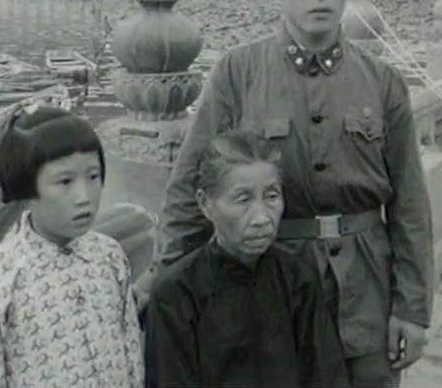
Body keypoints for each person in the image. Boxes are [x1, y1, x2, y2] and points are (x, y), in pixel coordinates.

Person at [135, 0, 435, 387]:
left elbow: (411, 208)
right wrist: (165, 278)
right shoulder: (238, 72)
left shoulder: (382, 81)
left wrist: (412, 309)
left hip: (366, 298)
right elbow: (193, 185)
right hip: (268, 296)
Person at [0, 105, 144, 388]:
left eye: (93, 177)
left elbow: (130, 352)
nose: (84, 197)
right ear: (27, 189)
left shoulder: (110, 256)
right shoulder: (0, 275)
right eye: (64, 181)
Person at [144, 131, 350, 388]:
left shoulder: (298, 277)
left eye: (272, 196)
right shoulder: (176, 294)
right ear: (206, 204)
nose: (262, 218)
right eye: (243, 200)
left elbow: (326, 375)